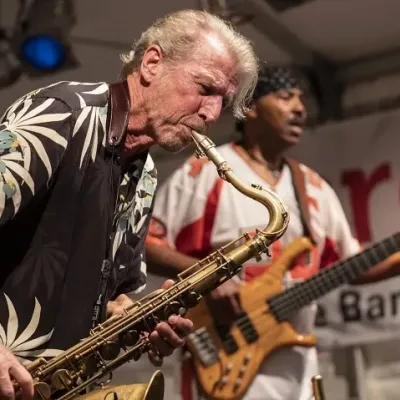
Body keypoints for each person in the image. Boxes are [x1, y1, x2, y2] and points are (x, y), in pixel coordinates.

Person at [0, 9, 258, 400]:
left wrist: (133, 318)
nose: (212, 113)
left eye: (224, 100)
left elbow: (106, 297)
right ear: (152, 63)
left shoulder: (147, 172)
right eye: (206, 88)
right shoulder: (62, 114)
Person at [145, 64, 400, 400]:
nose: (300, 108)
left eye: (301, 99)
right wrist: (210, 279)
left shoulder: (314, 187)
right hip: (222, 361)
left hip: (298, 370)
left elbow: (351, 263)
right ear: (251, 107)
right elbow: (147, 245)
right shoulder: (205, 172)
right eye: (285, 97)